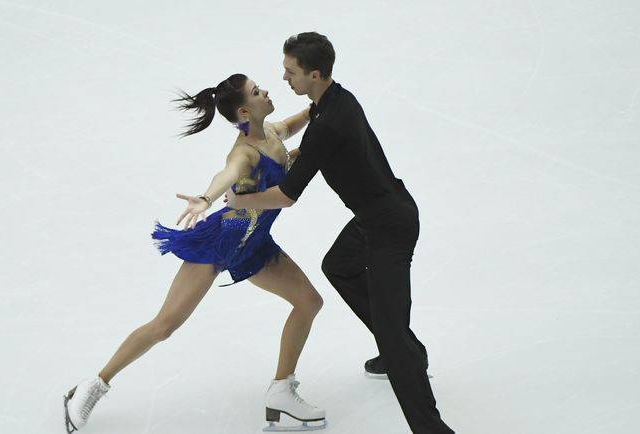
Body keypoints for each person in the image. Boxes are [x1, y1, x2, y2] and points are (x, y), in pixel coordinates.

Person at [63, 73, 327, 433]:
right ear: (244, 111)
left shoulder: (273, 133)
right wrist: (206, 197)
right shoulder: (244, 153)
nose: (266, 91)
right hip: (220, 242)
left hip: (254, 245)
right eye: (256, 92)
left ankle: (281, 390)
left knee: (309, 301)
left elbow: (301, 119)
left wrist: (325, 103)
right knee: (164, 326)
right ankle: (92, 386)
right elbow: (227, 174)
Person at [224, 33, 455, 434]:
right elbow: (314, 150)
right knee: (338, 265)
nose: (283, 78)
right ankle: (406, 348)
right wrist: (283, 158)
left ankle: (429, 423)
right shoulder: (334, 101)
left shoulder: (328, 123)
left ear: (315, 73)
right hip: (376, 216)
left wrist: (240, 201)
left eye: (290, 71)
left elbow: (286, 196)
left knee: (391, 334)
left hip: (390, 229)